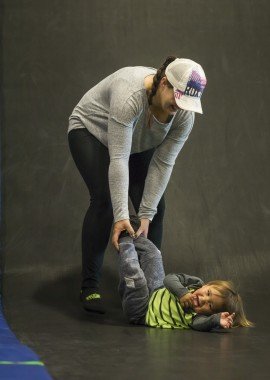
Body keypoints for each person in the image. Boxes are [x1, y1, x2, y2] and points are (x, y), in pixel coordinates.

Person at [68, 56, 207, 313]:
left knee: (155, 210)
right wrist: (122, 216)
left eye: (187, 102)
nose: (180, 106)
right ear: (163, 82)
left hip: (135, 141)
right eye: (177, 97)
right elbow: (118, 158)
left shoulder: (184, 115)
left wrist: (146, 214)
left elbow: (163, 163)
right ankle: (90, 287)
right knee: (104, 201)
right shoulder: (129, 94)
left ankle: (154, 292)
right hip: (91, 132)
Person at [118, 233, 253, 330]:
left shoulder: (196, 317)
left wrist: (216, 320)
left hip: (141, 311)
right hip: (156, 289)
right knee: (154, 254)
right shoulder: (195, 283)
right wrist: (182, 293)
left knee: (137, 278)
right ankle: (130, 231)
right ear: (207, 285)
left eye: (210, 306)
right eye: (208, 293)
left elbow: (199, 325)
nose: (203, 299)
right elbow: (169, 279)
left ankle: (124, 241)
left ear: (210, 314)